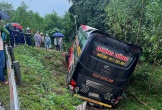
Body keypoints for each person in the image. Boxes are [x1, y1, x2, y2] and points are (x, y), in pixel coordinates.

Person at [0, 16, 10, 85]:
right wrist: (7, 40)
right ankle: (2, 79)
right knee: (1, 63)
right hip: (0, 48)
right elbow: (8, 33)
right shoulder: (1, 27)